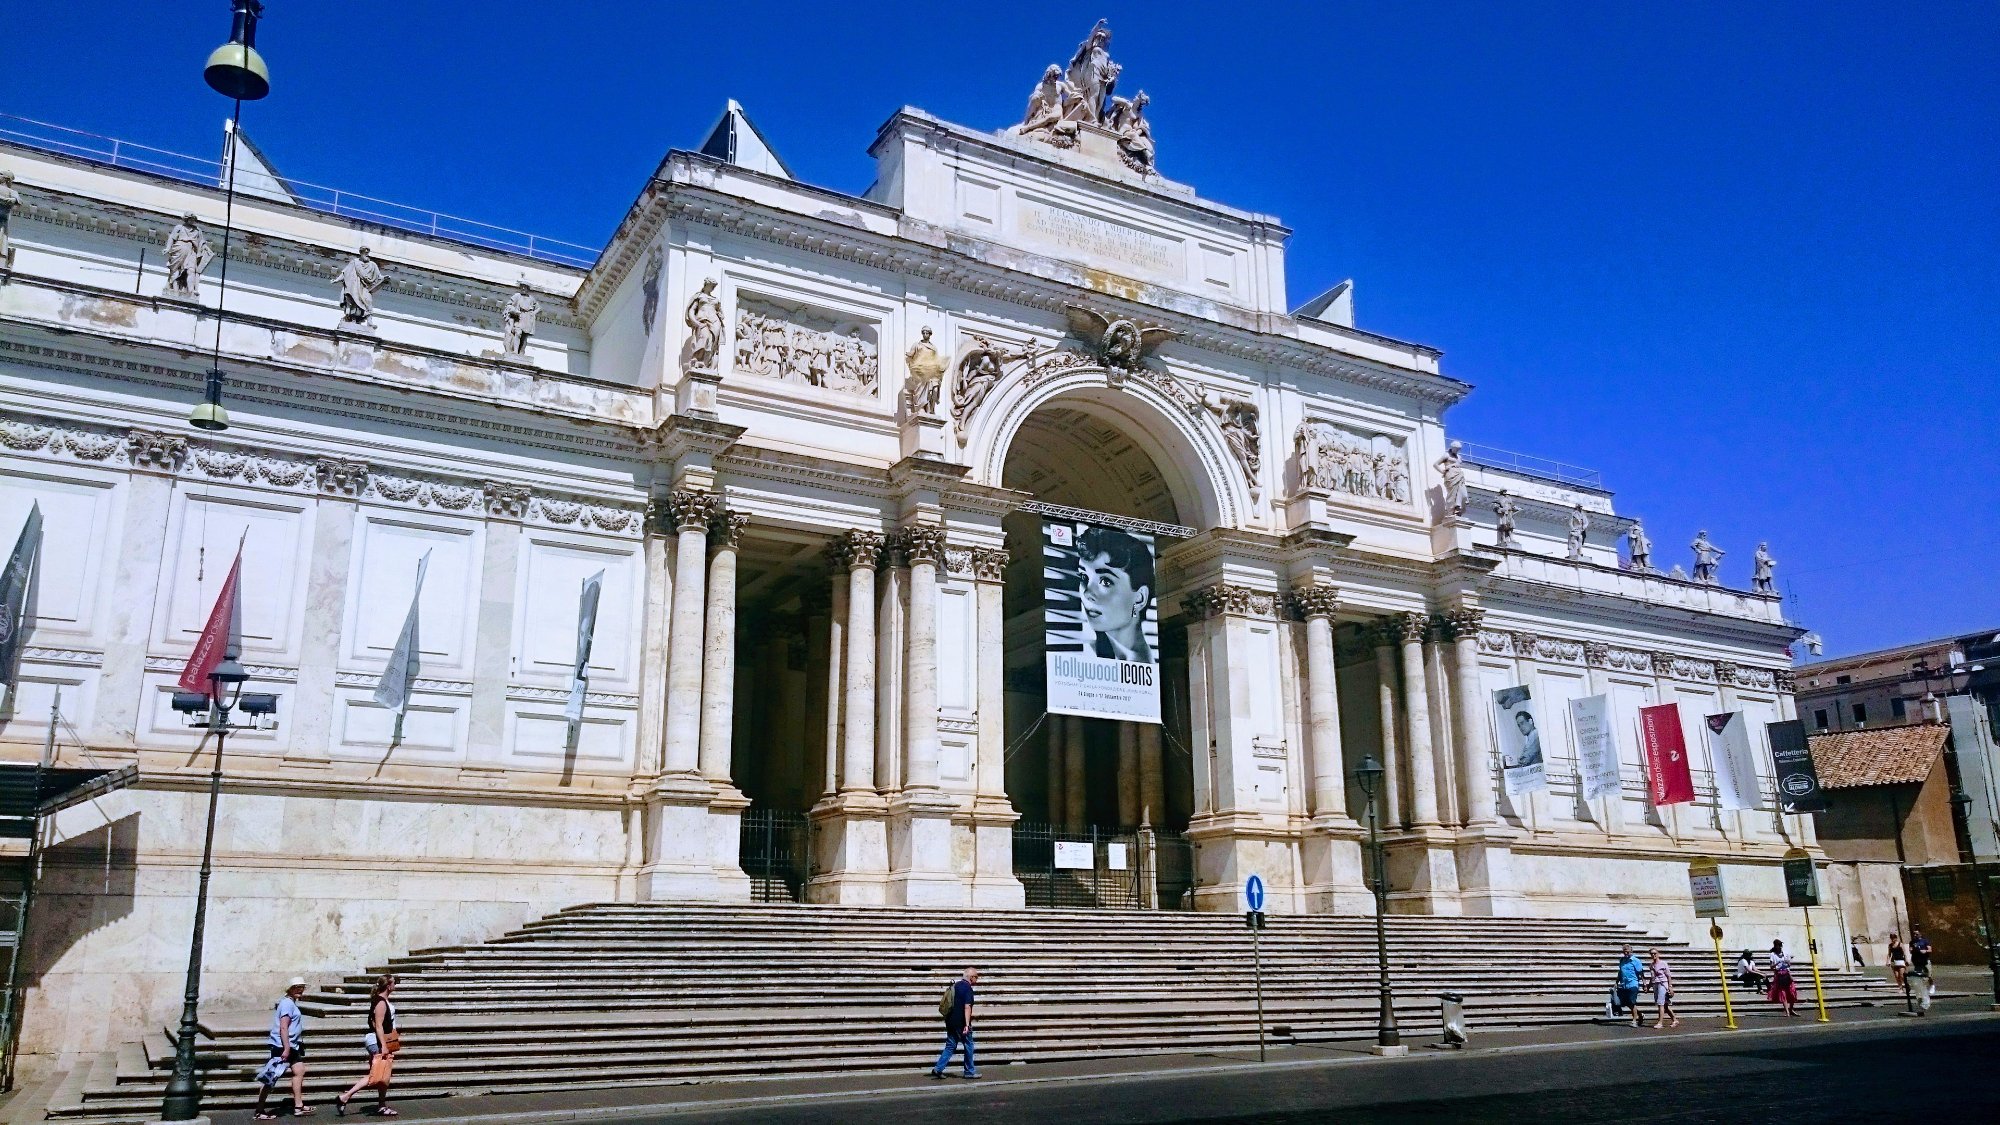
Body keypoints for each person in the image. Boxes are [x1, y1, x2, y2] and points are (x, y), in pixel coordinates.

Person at [1076, 525, 1153, 663]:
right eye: (1083, 577)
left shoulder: (1144, 665)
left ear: (1140, 598)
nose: (1087, 593)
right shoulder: (1086, 653)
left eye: (1106, 581)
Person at [336, 975, 401, 1116]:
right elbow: (377, 1025)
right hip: (377, 1041)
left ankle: (382, 1105)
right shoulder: (381, 1002)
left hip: (380, 1040)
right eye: (394, 983)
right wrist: (383, 1045)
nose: (396, 985)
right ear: (388, 985)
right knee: (376, 1075)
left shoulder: (381, 1000)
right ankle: (345, 1097)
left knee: (382, 1075)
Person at [253, 977, 312, 1120]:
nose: (300, 989)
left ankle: (298, 1105)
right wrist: (286, 1048)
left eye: (302, 987)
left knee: (299, 1070)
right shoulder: (287, 1004)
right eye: (296, 987)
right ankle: (259, 1110)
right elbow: (283, 1026)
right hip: (282, 1046)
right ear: (289, 989)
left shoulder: (290, 1003)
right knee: (270, 1078)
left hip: (291, 1046)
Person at [930, 967, 980, 1080]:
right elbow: (967, 1007)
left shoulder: (955, 986)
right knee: (969, 1045)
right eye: (976, 977)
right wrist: (967, 1025)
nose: (977, 979)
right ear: (971, 977)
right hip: (961, 1023)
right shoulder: (967, 989)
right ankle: (969, 1072)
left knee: (950, 1045)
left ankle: (938, 1069)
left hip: (950, 1021)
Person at [1645, 949, 1680, 1028]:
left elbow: (1668, 975)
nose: (1653, 955)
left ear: (1658, 954)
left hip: (1663, 984)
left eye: (1655, 953)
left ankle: (1660, 1022)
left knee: (1660, 1003)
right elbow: (1652, 978)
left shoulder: (1663, 963)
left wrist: (1670, 986)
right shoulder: (1651, 965)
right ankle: (1675, 1019)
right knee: (1665, 1005)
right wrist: (1648, 987)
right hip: (1655, 984)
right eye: (1651, 954)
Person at [1767, 939, 1800, 1017]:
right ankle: (1787, 1011)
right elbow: (1771, 967)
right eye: (1778, 945)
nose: (1780, 947)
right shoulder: (1772, 955)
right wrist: (1777, 964)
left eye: (1780, 945)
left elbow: (1789, 965)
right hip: (1779, 974)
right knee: (1783, 993)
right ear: (1775, 946)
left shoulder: (1785, 953)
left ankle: (1791, 1009)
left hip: (1787, 973)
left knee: (1792, 992)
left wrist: (1787, 962)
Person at [1614, 945, 1644, 1027]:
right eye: (1624, 951)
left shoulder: (1635, 960)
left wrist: (1644, 983)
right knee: (1626, 1002)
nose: (1625, 953)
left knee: (1632, 1001)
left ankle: (1634, 1020)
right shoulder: (1622, 960)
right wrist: (1617, 982)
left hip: (1633, 983)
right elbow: (1620, 972)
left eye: (1627, 951)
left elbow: (1641, 972)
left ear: (1631, 951)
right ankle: (1640, 1014)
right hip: (1624, 984)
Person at [1911, 928, 1934, 999]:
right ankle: (1922, 990)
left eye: (1916, 934)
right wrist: (1912, 950)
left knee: (1929, 974)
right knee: (1918, 975)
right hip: (1917, 961)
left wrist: (1925, 951)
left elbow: (1930, 949)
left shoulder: (1925, 941)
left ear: (1920, 934)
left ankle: (1932, 985)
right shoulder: (1912, 942)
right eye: (1914, 934)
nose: (1915, 935)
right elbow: (1911, 950)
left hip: (1925, 960)